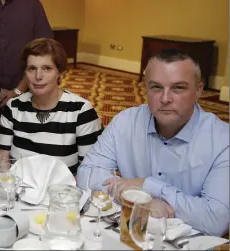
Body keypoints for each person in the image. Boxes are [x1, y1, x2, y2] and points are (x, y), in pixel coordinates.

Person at [77, 48, 229, 236]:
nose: (165, 99)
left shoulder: (223, 140)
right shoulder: (126, 121)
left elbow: (215, 220)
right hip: (127, 233)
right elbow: (86, 174)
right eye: (156, 87)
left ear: (198, 90)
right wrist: (142, 201)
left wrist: (148, 186)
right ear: (145, 88)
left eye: (178, 88)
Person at [0, 38, 102, 174]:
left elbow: (88, 172)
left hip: (62, 193)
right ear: (24, 74)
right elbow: (2, 164)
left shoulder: (81, 111)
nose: (38, 76)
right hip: (19, 190)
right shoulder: (13, 107)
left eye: (47, 68)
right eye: (32, 69)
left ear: (59, 72)